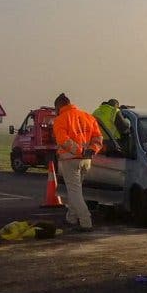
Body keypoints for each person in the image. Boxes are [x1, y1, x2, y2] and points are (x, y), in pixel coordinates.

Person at [52, 93, 105, 231]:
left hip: (71, 160)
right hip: (86, 161)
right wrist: (92, 150)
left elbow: (63, 140)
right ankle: (71, 218)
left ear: (59, 106)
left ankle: (85, 221)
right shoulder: (88, 116)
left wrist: (79, 151)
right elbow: (98, 138)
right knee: (75, 190)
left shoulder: (60, 119)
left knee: (74, 192)